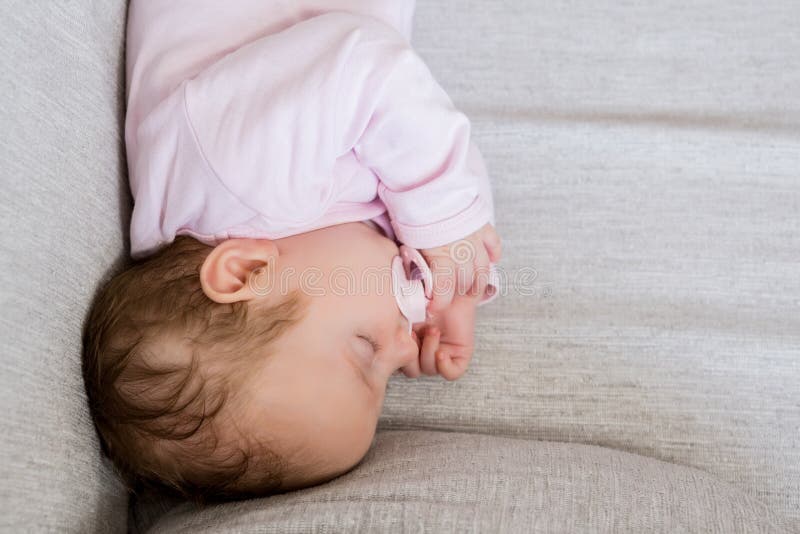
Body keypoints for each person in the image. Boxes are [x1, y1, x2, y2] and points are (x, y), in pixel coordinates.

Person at [82, 0, 502, 502]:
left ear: (244, 273)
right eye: (389, 377)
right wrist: (451, 286)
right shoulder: (299, 246)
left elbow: (369, 70)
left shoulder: (234, 169)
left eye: (366, 347)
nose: (406, 349)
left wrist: (447, 220)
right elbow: (403, 156)